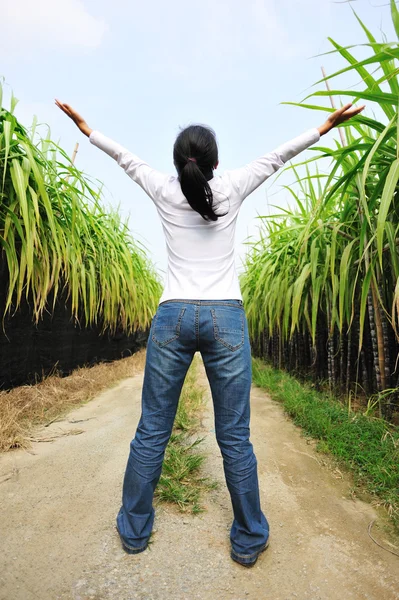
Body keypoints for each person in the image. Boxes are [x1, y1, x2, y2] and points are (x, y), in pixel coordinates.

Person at [55, 99, 364, 566]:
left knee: (152, 429)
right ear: (215, 163)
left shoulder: (162, 188)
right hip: (225, 317)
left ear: (179, 163)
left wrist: (86, 128)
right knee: (235, 436)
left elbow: (124, 158)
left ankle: (135, 530)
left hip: (172, 314)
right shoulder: (233, 186)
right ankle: (248, 537)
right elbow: (279, 156)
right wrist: (324, 125)